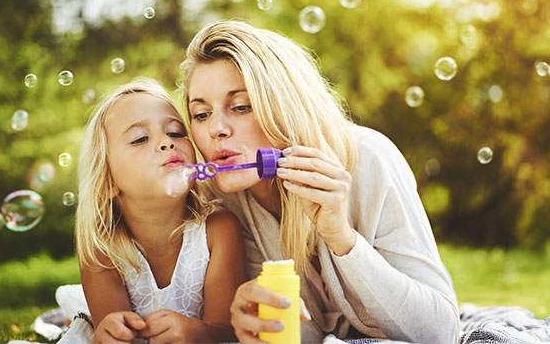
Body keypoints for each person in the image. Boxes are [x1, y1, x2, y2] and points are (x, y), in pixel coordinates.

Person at [179, 21, 459, 343]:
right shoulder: (227, 197)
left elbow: (442, 333)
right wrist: (263, 320)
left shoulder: (369, 158)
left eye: (241, 106)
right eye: (201, 114)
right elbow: (306, 336)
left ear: (285, 106)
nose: (216, 129)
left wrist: (342, 238)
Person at [63, 77, 247, 344]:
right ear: (108, 180)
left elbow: (227, 331)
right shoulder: (102, 247)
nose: (166, 142)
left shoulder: (219, 229)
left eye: (175, 132)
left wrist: (196, 333)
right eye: (140, 139)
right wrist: (111, 333)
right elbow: (115, 332)